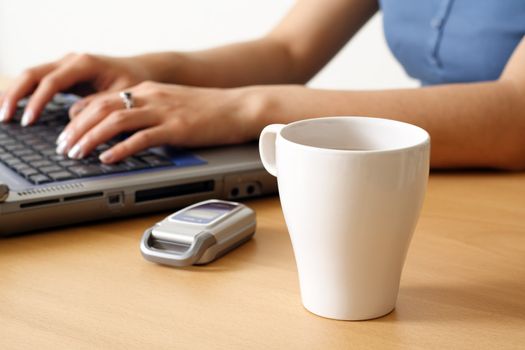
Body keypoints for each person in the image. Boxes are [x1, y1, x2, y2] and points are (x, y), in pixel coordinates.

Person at [0, 0, 524, 170]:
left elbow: (514, 115)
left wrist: (245, 108)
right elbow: (289, 50)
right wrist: (146, 69)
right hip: (427, 181)